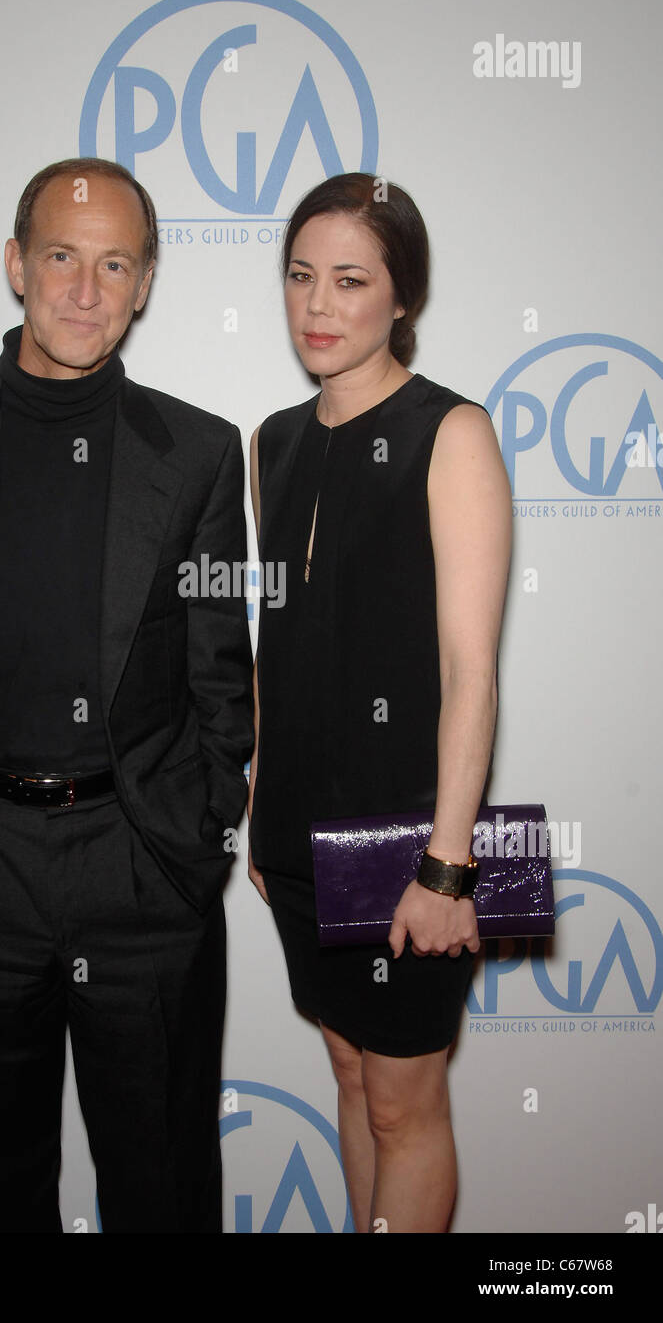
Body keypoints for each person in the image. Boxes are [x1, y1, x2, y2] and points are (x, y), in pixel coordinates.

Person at [0, 157, 253, 1233]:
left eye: (114, 263)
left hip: (139, 875)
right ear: (15, 263)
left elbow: (220, 665)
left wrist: (192, 834)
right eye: (62, 257)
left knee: (163, 1195)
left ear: (146, 280)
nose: (84, 289)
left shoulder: (200, 453)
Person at [248, 173, 512, 1233]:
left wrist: (446, 868)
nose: (317, 305)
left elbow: (470, 672)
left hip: (408, 843)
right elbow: (280, 643)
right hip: (298, 829)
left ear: (400, 297)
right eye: (300, 276)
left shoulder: (450, 432)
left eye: (349, 280)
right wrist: (264, 812)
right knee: (351, 1076)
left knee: (403, 1101)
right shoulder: (272, 439)